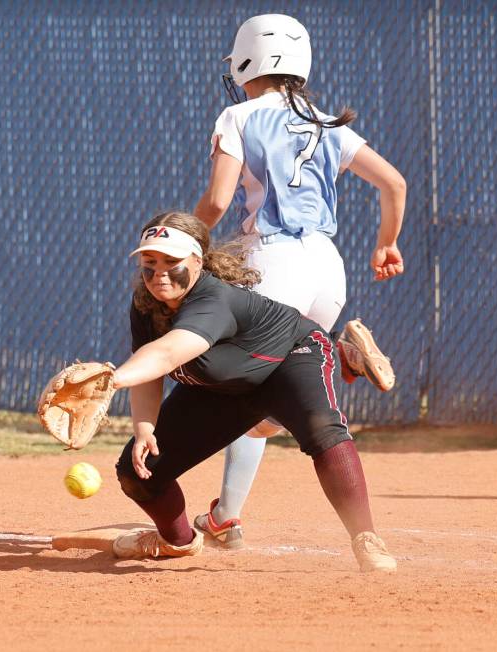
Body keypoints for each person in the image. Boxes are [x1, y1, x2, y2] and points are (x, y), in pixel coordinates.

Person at [192, 14, 407, 547]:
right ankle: (224, 518)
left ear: (248, 62)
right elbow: (394, 183)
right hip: (326, 269)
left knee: (236, 385)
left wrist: (188, 238)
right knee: (271, 403)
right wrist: (386, 243)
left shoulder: (238, 114)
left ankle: (345, 355)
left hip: (272, 262)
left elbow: (218, 201)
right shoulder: (328, 122)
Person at [95, 210, 396, 572]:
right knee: (137, 470)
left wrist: (110, 379)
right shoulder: (146, 304)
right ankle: (177, 542)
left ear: (196, 261)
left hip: (289, 358)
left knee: (321, 427)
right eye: (149, 261)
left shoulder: (212, 300)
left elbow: (167, 353)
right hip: (225, 387)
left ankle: (367, 539)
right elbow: (150, 372)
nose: (159, 272)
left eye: (171, 261)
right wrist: (144, 429)